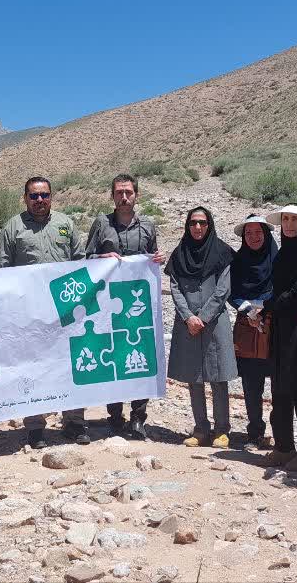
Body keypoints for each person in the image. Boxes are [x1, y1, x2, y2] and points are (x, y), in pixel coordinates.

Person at [0, 176, 87, 448]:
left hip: (64, 309)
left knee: (69, 364)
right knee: (32, 368)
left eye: (44, 195)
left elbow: (81, 263)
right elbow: (2, 270)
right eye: (33, 196)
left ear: (51, 197)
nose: (39, 200)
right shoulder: (13, 227)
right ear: (25, 198)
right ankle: (35, 427)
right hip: (29, 314)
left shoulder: (66, 224)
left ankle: (74, 422)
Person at [85, 174, 166, 440]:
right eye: (119, 192)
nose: (124, 197)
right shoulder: (102, 224)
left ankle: (138, 417)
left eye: (128, 192)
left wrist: (157, 258)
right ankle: (115, 417)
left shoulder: (148, 226)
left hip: (138, 303)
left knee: (141, 354)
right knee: (113, 356)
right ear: (112, 196)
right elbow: (86, 258)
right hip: (108, 303)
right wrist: (101, 257)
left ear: (136, 195)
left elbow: (152, 258)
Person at [166, 207, 237, 448]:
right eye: (193, 223)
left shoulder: (222, 252)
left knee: (218, 376)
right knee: (193, 376)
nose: (198, 227)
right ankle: (201, 429)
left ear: (210, 225)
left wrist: (203, 317)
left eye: (203, 223)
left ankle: (222, 430)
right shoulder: (179, 254)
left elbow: (223, 289)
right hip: (187, 324)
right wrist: (188, 317)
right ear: (188, 226)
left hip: (214, 323)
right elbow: (175, 287)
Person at [260, 204, 297, 473]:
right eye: (285, 219)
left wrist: (269, 306)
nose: (289, 224)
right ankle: (284, 447)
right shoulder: (283, 252)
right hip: (280, 326)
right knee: (279, 387)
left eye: (295, 219)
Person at [229, 214, 277, 449]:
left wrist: (265, 306)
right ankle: (255, 432)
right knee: (251, 383)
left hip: (276, 326)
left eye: (258, 232)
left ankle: (282, 435)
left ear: (266, 234)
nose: (253, 237)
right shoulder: (238, 262)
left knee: (279, 383)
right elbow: (232, 291)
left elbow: (283, 287)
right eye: (249, 233)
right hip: (247, 326)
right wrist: (248, 310)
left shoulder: (279, 260)